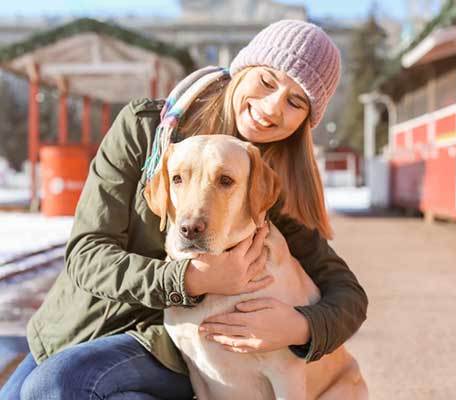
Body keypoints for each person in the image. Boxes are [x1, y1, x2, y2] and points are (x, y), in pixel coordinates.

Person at [0, 19, 368, 399]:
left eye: (295, 102)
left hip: (169, 346)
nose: (272, 107)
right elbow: (87, 253)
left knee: (57, 385)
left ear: (303, 123)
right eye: (267, 81)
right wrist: (191, 280)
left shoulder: (265, 184)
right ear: (242, 70)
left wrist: (299, 329)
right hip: (86, 324)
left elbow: (348, 295)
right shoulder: (145, 130)